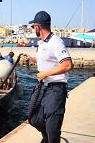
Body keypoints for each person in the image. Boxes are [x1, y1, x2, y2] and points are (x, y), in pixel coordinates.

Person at [28, 11, 73, 143]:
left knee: (53, 127)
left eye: (33, 27)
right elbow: (49, 61)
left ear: (38, 26)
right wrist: (32, 59)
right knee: (34, 118)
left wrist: (45, 74)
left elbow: (67, 65)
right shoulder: (42, 43)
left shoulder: (56, 41)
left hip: (56, 88)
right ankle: (46, 138)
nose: (33, 29)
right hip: (43, 87)